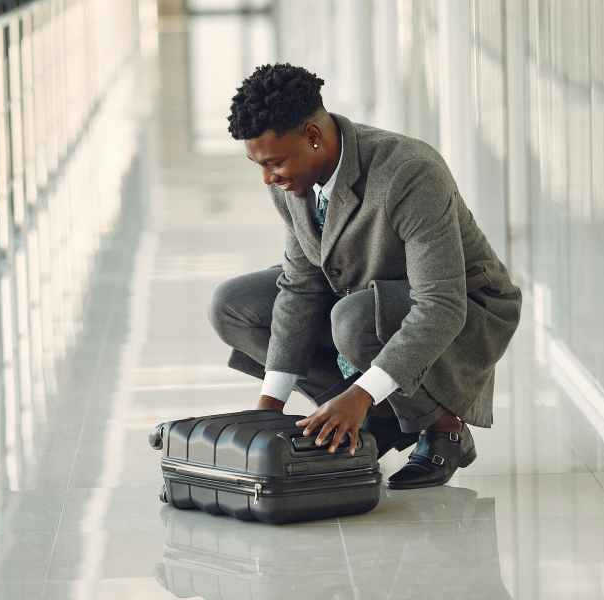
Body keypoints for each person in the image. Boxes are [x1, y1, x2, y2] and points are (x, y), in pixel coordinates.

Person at [209, 64, 522, 489]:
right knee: (233, 306)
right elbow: (301, 285)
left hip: (465, 305)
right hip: (360, 291)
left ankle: (442, 426)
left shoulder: (409, 171)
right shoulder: (290, 180)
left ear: (313, 136)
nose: (268, 178)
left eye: (275, 163)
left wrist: (360, 392)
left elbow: (441, 305)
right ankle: (374, 418)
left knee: (353, 319)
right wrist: (269, 408)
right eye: (258, 165)